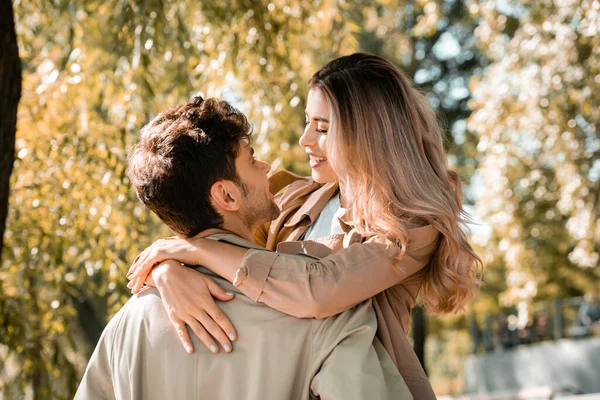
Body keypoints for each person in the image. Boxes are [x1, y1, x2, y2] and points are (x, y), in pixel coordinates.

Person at [127, 53, 482, 399]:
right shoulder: (290, 198)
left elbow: (319, 288)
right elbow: (219, 234)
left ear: (367, 135)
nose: (305, 140)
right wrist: (169, 271)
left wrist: (192, 250)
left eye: (322, 128)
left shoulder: (411, 226)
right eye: (308, 122)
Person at [75, 97, 412, 399]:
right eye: (252, 161)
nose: (267, 168)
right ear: (227, 196)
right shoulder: (327, 317)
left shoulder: (125, 325)